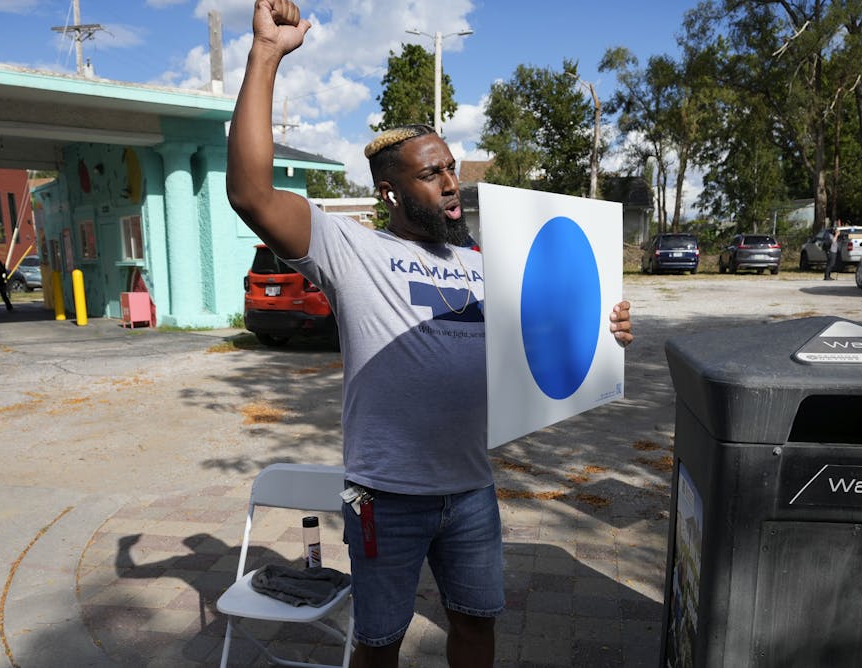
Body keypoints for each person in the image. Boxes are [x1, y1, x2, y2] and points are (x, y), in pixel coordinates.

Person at [225, 3, 633, 665]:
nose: (452, 183)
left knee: (476, 629)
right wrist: (266, 56)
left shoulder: (480, 263)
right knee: (379, 643)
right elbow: (252, 194)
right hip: (383, 497)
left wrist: (605, 329)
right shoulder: (351, 249)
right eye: (432, 173)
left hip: (471, 489)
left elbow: (549, 335)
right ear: (388, 192)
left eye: (453, 168)